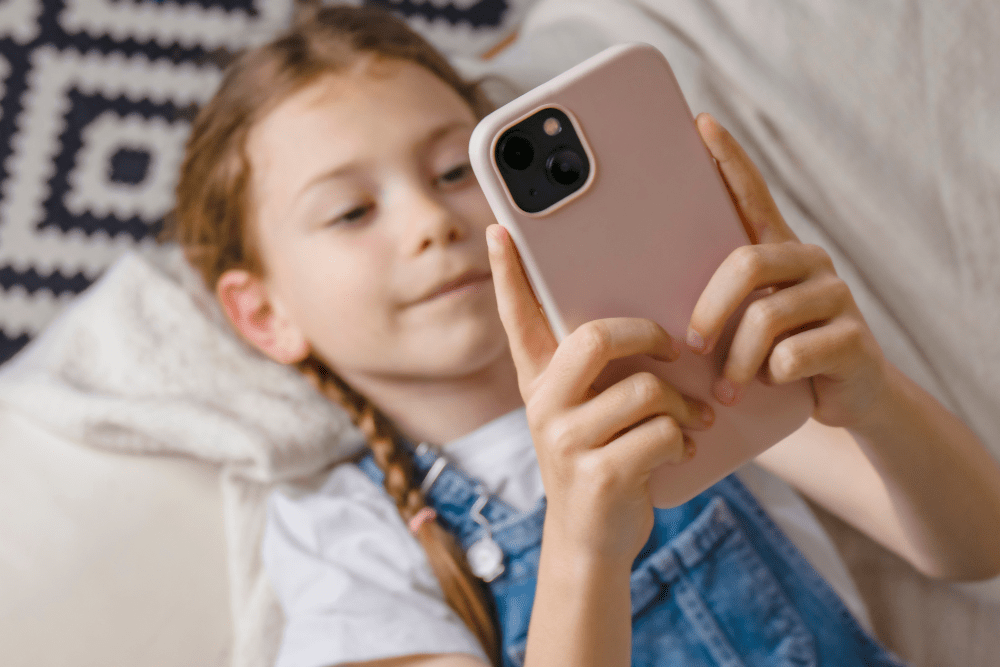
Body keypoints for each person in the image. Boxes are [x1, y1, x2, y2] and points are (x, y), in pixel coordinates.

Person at [163, 4, 1000, 667]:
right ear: (263, 314)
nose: (429, 222)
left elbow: (976, 546)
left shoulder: (678, 358)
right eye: (352, 211)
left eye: (457, 170)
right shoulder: (345, 532)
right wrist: (584, 542)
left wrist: (876, 397)